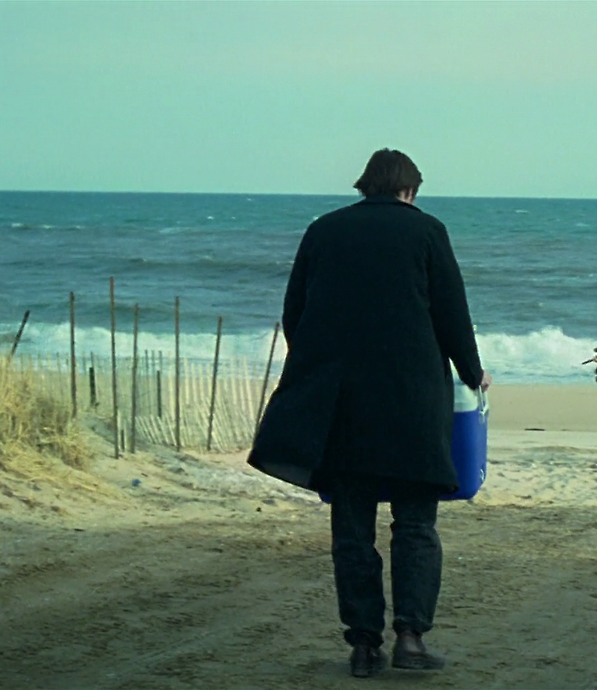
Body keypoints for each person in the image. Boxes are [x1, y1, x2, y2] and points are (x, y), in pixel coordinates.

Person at [248, 148, 491, 678]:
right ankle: (411, 638)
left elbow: (295, 313)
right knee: (415, 524)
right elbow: (452, 312)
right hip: (412, 401)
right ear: (410, 190)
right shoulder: (427, 231)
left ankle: (362, 646)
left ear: (365, 186)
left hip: (344, 404)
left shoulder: (324, 230)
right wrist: (473, 372)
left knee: (352, 530)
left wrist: (320, 364)